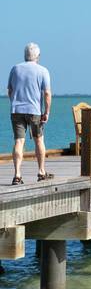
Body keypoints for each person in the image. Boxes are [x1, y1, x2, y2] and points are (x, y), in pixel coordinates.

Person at [7, 42, 52, 185]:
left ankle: (17, 175)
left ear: (25, 55)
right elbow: (47, 93)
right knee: (39, 140)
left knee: (19, 141)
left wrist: (15, 102)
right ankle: (41, 171)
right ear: (37, 56)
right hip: (34, 111)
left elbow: (9, 90)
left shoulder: (15, 69)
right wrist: (47, 111)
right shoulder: (43, 70)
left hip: (17, 110)